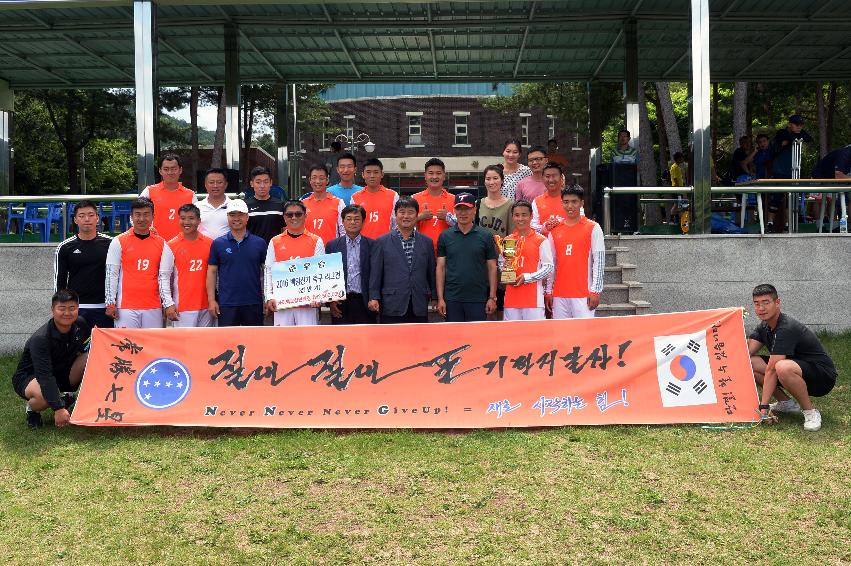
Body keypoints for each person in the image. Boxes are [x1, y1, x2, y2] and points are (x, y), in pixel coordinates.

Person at [748, 284, 836, 431]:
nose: (761, 308)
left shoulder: (786, 327)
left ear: (777, 303)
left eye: (766, 302)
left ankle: (810, 412)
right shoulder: (764, 326)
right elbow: (747, 351)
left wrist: (763, 406)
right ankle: (786, 404)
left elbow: (771, 369)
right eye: (757, 304)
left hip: (822, 377)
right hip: (794, 372)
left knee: (781, 366)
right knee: (750, 363)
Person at [13, 289, 90, 429]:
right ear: (52, 310)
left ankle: (69, 396)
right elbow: (44, 376)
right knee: (43, 398)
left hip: (59, 371)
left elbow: (87, 344)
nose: (67, 313)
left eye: (72, 308)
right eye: (62, 308)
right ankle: (32, 409)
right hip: (32, 376)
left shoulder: (81, 323)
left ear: (78, 309)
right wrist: (59, 409)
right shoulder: (40, 339)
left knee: (90, 357)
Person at [369, 197, 436, 324]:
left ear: (417, 215)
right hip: (391, 303)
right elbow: (376, 273)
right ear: (395, 215)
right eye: (402, 212)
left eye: (410, 212)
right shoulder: (382, 242)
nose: (406, 216)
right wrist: (373, 296)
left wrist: (435, 296)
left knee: (419, 341)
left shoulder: (426, 242)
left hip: (419, 302)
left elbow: (431, 272)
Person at [104, 197, 169, 328]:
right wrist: (110, 303)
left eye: (146, 214)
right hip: (126, 307)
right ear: (131, 216)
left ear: (152, 216)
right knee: (127, 346)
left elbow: (164, 277)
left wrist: (166, 304)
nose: (141, 219)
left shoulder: (162, 243)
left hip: (153, 306)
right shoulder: (118, 241)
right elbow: (111, 274)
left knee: (151, 347)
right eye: (137, 215)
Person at [436, 192, 498, 322]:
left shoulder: (485, 236)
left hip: (478, 298)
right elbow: (440, 268)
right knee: (454, 338)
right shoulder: (445, 236)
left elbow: (492, 267)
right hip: (452, 298)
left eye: (467, 209)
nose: (463, 213)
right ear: (454, 211)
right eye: (459, 209)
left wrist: (492, 297)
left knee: (477, 338)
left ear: (474, 210)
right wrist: (440, 298)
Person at [546, 186, 605, 319]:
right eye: (566, 202)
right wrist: (548, 291)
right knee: (562, 336)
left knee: (583, 336)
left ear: (581, 203)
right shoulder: (554, 231)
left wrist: (595, 291)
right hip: (559, 295)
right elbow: (551, 264)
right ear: (561, 203)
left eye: (574, 201)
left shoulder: (593, 227)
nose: (570, 206)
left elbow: (599, 261)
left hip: (583, 295)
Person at [264, 200, 325, 326]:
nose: (294, 217)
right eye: (289, 214)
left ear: (305, 215)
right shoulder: (275, 241)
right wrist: (269, 296)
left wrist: (318, 296)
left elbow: (321, 271)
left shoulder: (316, 240)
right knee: (283, 341)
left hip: (307, 304)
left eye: (298, 214)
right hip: (282, 303)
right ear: (284, 217)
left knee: (308, 340)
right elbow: (269, 270)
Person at [207, 199, 267, 327]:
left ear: (247, 217)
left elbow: (267, 272)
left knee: (254, 343)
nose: (236, 218)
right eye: (232, 215)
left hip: (253, 302)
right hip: (227, 303)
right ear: (227, 217)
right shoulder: (218, 243)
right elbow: (212, 272)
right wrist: (211, 300)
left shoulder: (260, 243)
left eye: (240, 214)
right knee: (227, 344)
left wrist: (267, 298)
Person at [54, 200, 113, 329]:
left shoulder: (112, 244)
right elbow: (60, 280)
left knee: (106, 348)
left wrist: (113, 304)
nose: (87, 219)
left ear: (97, 218)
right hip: (77, 308)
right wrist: (61, 308)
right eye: (82, 216)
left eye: (91, 215)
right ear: (75, 220)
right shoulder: (65, 247)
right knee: (76, 347)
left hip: (106, 308)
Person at [159, 203, 214, 328]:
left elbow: (215, 274)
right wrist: (168, 303)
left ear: (199, 221)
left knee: (205, 345)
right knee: (184, 346)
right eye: (183, 218)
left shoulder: (210, 243)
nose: (186, 222)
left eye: (191, 218)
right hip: (182, 307)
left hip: (206, 306)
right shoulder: (170, 245)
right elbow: (163, 277)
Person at [502, 201, 553, 321]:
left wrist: (528, 277)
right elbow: (502, 263)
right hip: (511, 300)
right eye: (517, 215)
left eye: (524, 215)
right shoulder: (508, 240)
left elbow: (549, 267)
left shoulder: (541, 240)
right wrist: (506, 272)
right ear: (512, 216)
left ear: (531, 216)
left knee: (535, 338)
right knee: (513, 337)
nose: (520, 218)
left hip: (533, 301)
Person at [325, 204, 375, 324]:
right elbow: (327, 274)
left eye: (357, 219)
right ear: (342, 221)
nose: (353, 222)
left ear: (363, 222)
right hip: (340, 302)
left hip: (365, 301)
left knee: (365, 339)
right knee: (341, 340)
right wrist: (330, 301)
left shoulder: (372, 245)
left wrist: (374, 298)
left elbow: (376, 274)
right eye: (349, 219)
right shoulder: (332, 245)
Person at [140, 153, 196, 242]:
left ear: (180, 170)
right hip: (155, 243)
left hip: (182, 245)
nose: (170, 172)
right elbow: (135, 214)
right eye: (166, 169)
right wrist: (145, 230)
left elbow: (197, 221)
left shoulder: (190, 195)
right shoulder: (149, 191)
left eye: (174, 169)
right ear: (160, 171)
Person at [413, 158, 457, 255]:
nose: (434, 176)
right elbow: (403, 223)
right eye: (431, 173)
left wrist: (448, 217)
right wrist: (420, 217)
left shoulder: (454, 200)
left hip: (448, 252)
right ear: (425, 176)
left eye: (438, 173)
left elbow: (464, 225)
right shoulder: (414, 199)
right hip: (422, 252)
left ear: (444, 176)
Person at [351, 158, 399, 239]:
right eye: (368, 172)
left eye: (376, 172)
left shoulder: (393, 195)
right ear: (363, 175)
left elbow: (397, 223)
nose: (372, 176)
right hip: (363, 245)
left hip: (386, 244)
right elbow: (353, 224)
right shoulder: (355, 197)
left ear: (382, 174)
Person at [303, 163, 345, 246]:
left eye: (321, 178)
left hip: (331, 254)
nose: (317, 181)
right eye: (314, 178)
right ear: (310, 180)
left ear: (327, 180)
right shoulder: (302, 204)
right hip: (309, 254)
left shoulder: (339, 203)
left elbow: (344, 231)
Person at [245, 166, 284, 243]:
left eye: (266, 182)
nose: (262, 186)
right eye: (258, 182)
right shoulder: (245, 206)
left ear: (271, 183)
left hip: (274, 250)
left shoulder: (280, 205)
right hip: (252, 250)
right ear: (252, 184)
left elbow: (285, 230)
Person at [475, 164, 514, 239]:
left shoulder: (510, 205)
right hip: (481, 249)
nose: (491, 182)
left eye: (495, 178)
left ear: (502, 180)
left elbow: (512, 235)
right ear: (484, 181)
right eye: (488, 179)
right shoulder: (478, 204)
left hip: (501, 249)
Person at [772, 114, 813, 179]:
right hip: (780, 171)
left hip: (793, 172)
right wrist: (796, 137)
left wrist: (797, 137)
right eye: (796, 125)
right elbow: (789, 137)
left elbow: (809, 138)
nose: (799, 127)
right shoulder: (782, 132)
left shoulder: (799, 132)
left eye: (801, 125)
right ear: (789, 125)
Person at [197, 167, 232, 239]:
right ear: (205, 185)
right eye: (211, 182)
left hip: (227, 249)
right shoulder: (197, 207)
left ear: (226, 184)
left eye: (219, 182)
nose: (215, 186)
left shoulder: (233, 206)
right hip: (203, 248)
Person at [531, 162, 566, 234]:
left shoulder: (571, 199)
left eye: (554, 176)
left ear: (561, 178)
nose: (551, 180)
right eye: (547, 176)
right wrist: (546, 226)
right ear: (542, 178)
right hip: (545, 243)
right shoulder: (537, 201)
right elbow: (532, 226)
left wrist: (560, 222)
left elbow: (579, 219)